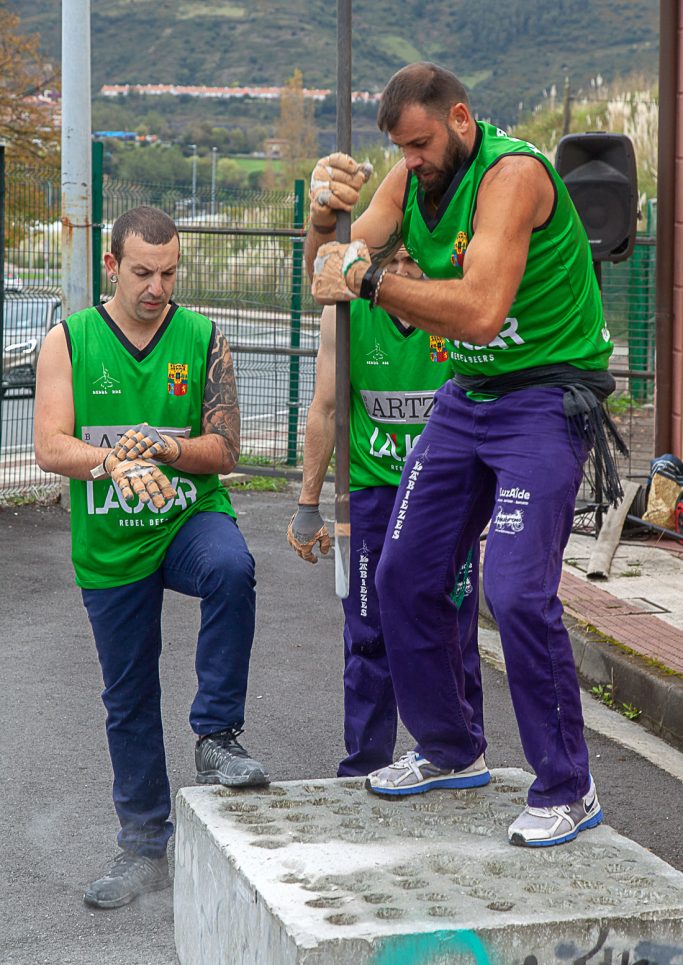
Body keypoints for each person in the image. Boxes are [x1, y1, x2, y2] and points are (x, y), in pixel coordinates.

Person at [304, 62, 619, 848]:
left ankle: (567, 788)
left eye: (419, 143)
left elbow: (478, 313)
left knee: (514, 591)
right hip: (468, 398)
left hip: (543, 398)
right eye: (400, 149)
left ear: (460, 118)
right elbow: (329, 271)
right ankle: (449, 749)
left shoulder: (510, 175)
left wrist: (367, 276)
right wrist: (320, 217)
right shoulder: (408, 175)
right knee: (402, 571)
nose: (409, 161)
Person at [34, 205, 269, 909]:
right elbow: (49, 446)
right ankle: (143, 846)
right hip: (110, 541)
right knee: (128, 696)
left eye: (168, 272)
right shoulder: (70, 341)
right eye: (142, 271)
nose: (156, 286)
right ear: (111, 266)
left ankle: (217, 735)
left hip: (184, 520)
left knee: (232, 567)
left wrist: (166, 447)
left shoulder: (200, 338)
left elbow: (225, 450)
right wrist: (110, 463)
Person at [287, 248, 485, 781]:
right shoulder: (346, 314)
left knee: (453, 625)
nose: (402, 272)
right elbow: (326, 408)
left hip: (446, 490)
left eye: (413, 260)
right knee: (368, 630)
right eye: (390, 259)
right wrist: (308, 504)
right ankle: (366, 762)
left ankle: (463, 752)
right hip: (374, 489)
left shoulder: (456, 307)